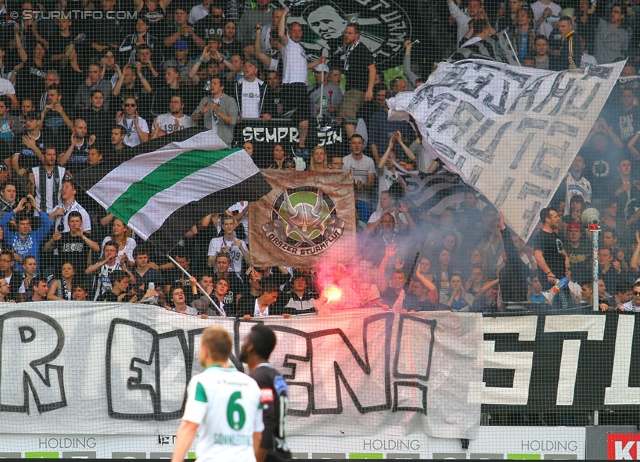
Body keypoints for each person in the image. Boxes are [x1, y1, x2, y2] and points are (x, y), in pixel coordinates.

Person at [171, 325, 264, 462]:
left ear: (205, 350)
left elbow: (189, 426)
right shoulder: (252, 384)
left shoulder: (201, 382)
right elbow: (258, 435)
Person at [239, 324, 292, 462]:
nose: (241, 346)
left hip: (270, 457)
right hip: (280, 453)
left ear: (250, 347)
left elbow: (267, 422)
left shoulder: (259, 378)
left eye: (244, 341)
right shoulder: (276, 376)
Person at [533, 207, 571, 308]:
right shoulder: (541, 236)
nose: (558, 219)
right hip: (552, 279)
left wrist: (566, 257)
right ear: (547, 219)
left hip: (561, 277)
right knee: (561, 306)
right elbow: (538, 255)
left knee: (566, 305)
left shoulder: (554, 235)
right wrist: (549, 273)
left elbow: (560, 248)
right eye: (555, 217)